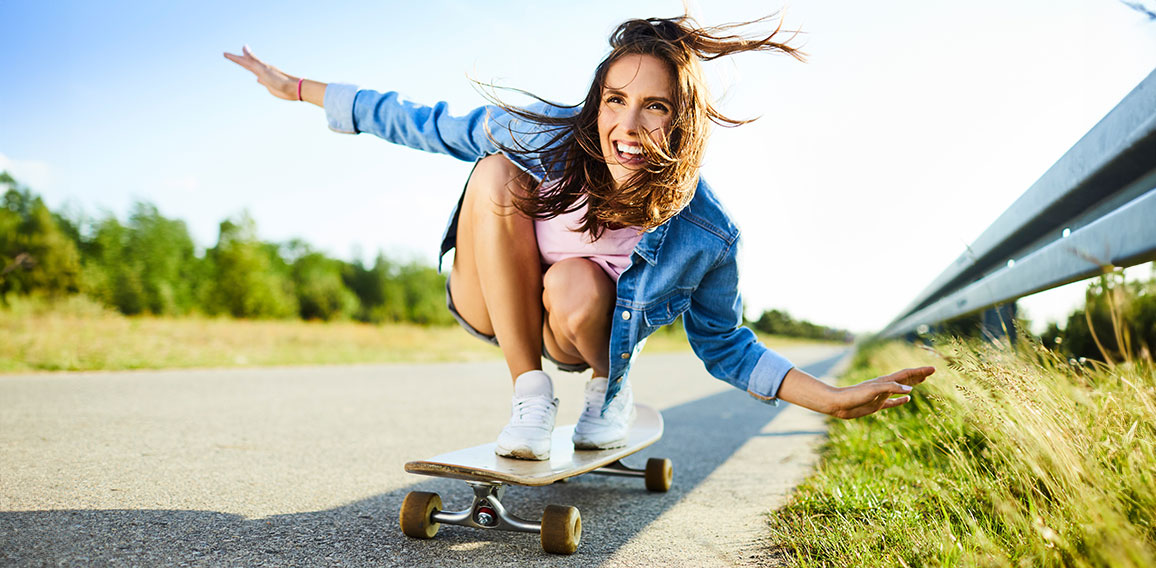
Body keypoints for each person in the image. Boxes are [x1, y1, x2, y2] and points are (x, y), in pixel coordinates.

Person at [224, 14, 934, 461]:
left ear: (681, 125)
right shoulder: (541, 136)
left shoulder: (707, 233)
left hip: (577, 328)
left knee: (575, 280)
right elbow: (420, 119)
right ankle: (529, 397)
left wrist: (833, 399)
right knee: (495, 175)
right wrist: (298, 90)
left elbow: (727, 344)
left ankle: (608, 389)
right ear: (596, 102)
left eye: (654, 108)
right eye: (615, 101)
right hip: (490, 301)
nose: (627, 125)